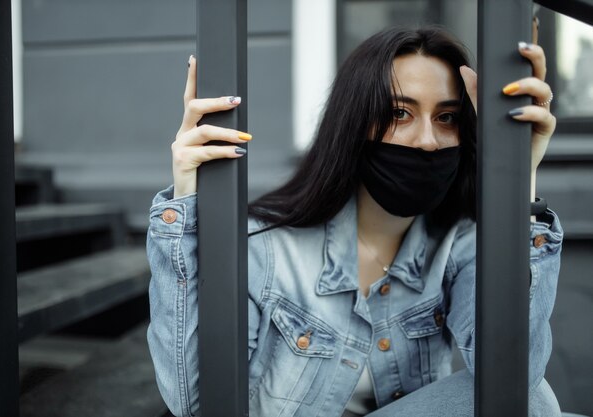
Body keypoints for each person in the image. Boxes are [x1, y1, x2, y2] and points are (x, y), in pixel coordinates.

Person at [146, 26, 563, 417]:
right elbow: (194, 401)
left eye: (447, 117)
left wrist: (518, 175)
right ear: (353, 122)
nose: (427, 140)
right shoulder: (267, 246)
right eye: (400, 113)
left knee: (533, 395)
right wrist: (185, 198)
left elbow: (514, 371)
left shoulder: (459, 243)